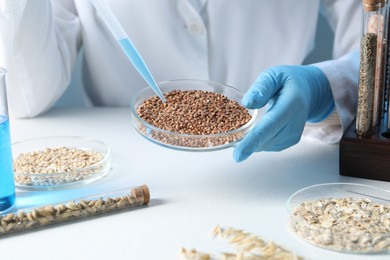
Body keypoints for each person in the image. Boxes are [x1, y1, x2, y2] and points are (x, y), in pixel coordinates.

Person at [0, 0, 360, 162]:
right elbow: (23, 98)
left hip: (278, 162)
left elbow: (376, 36)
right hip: (117, 167)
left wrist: (330, 85)